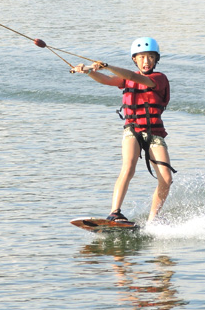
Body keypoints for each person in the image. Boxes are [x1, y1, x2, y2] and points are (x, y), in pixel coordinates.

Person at [73, 37, 175, 223]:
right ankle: (115, 212)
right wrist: (88, 71)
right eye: (142, 57)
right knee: (128, 167)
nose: (146, 61)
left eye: (151, 57)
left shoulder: (159, 78)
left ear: (156, 59)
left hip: (154, 133)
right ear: (134, 59)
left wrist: (107, 65)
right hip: (133, 130)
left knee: (166, 179)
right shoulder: (125, 78)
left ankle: (153, 221)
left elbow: (134, 77)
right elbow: (106, 80)